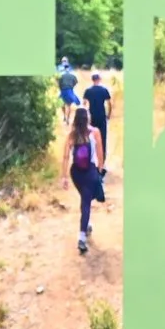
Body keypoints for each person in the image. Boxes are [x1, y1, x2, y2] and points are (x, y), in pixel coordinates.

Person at [66, 105, 102, 254]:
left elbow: (65, 157)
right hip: (90, 171)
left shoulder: (72, 135)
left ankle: (86, 224)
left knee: (85, 199)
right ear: (87, 118)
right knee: (86, 202)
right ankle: (81, 237)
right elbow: (100, 153)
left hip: (75, 173)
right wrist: (100, 170)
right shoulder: (95, 132)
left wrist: (63, 177)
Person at [81, 68, 113, 170]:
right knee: (102, 138)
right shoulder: (104, 90)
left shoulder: (88, 91)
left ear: (92, 79)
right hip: (101, 116)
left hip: (92, 117)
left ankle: (91, 159)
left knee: (90, 138)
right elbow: (109, 104)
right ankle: (102, 162)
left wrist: (85, 117)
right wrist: (109, 115)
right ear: (99, 79)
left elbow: (84, 104)